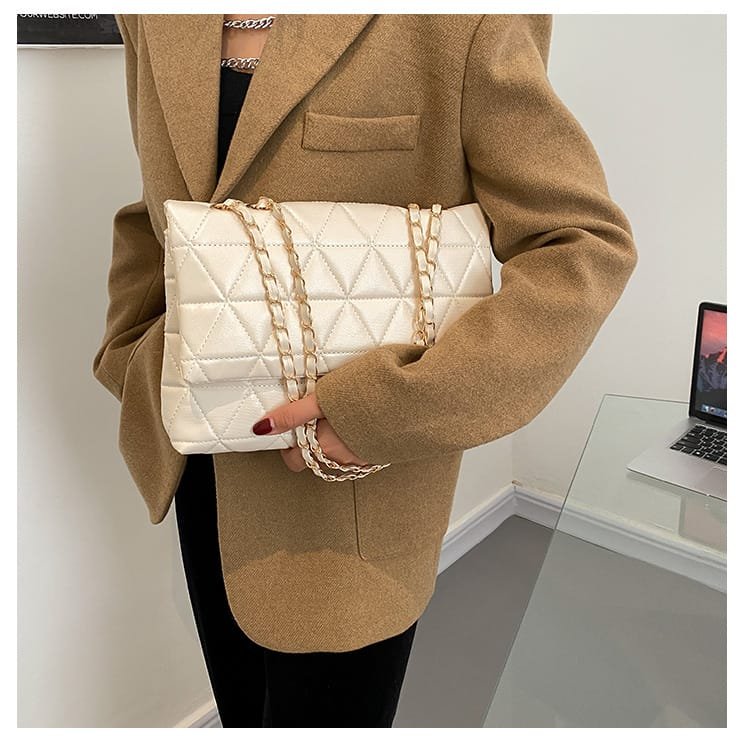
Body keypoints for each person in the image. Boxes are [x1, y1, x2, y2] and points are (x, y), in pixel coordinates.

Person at [93, 13, 638, 728]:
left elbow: (580, 246)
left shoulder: (463, 21)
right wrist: (130, 352)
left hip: (352, 492)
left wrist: (391, 409)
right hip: (198, 462)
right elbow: (159, 211)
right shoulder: (151, 16)